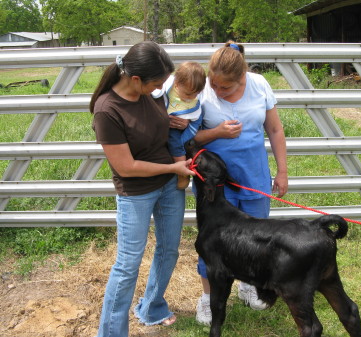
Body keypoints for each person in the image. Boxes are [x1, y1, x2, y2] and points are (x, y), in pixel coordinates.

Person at [90, 41, 195, 337]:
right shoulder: (107, 111)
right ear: (136, 79)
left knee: (169, 250)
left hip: (168, 187)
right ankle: (111, 333)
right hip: (136, 193)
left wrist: (169, 122)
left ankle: (151, 308)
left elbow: (152, 124)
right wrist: (174, 169)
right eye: (157, 83)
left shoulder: (149, 94)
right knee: (127, 265)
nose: (161, 88)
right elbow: (126, 167)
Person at [193, 41, 288, 325]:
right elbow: (188, 140)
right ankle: (208, 299)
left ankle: (248, 285)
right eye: (215, 84)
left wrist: (282, 171)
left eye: (226, 88)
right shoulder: (202, 90)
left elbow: (274, 128)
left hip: (253, 175)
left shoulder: (259, 85)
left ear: (242, 77)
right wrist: (216, 133)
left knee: (256, 238)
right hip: (214, 184)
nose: (218, 91)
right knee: (212, 242)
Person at [158, 61, 206, 189]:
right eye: (188, 94)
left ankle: (183, 171)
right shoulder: (166, 87)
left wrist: (185, 135)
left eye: (195, 94)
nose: (191, 98)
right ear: (177, 84)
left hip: (179, 127)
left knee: (174, 141)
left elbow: (197, 119)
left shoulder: (193, 100)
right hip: (163, 123)